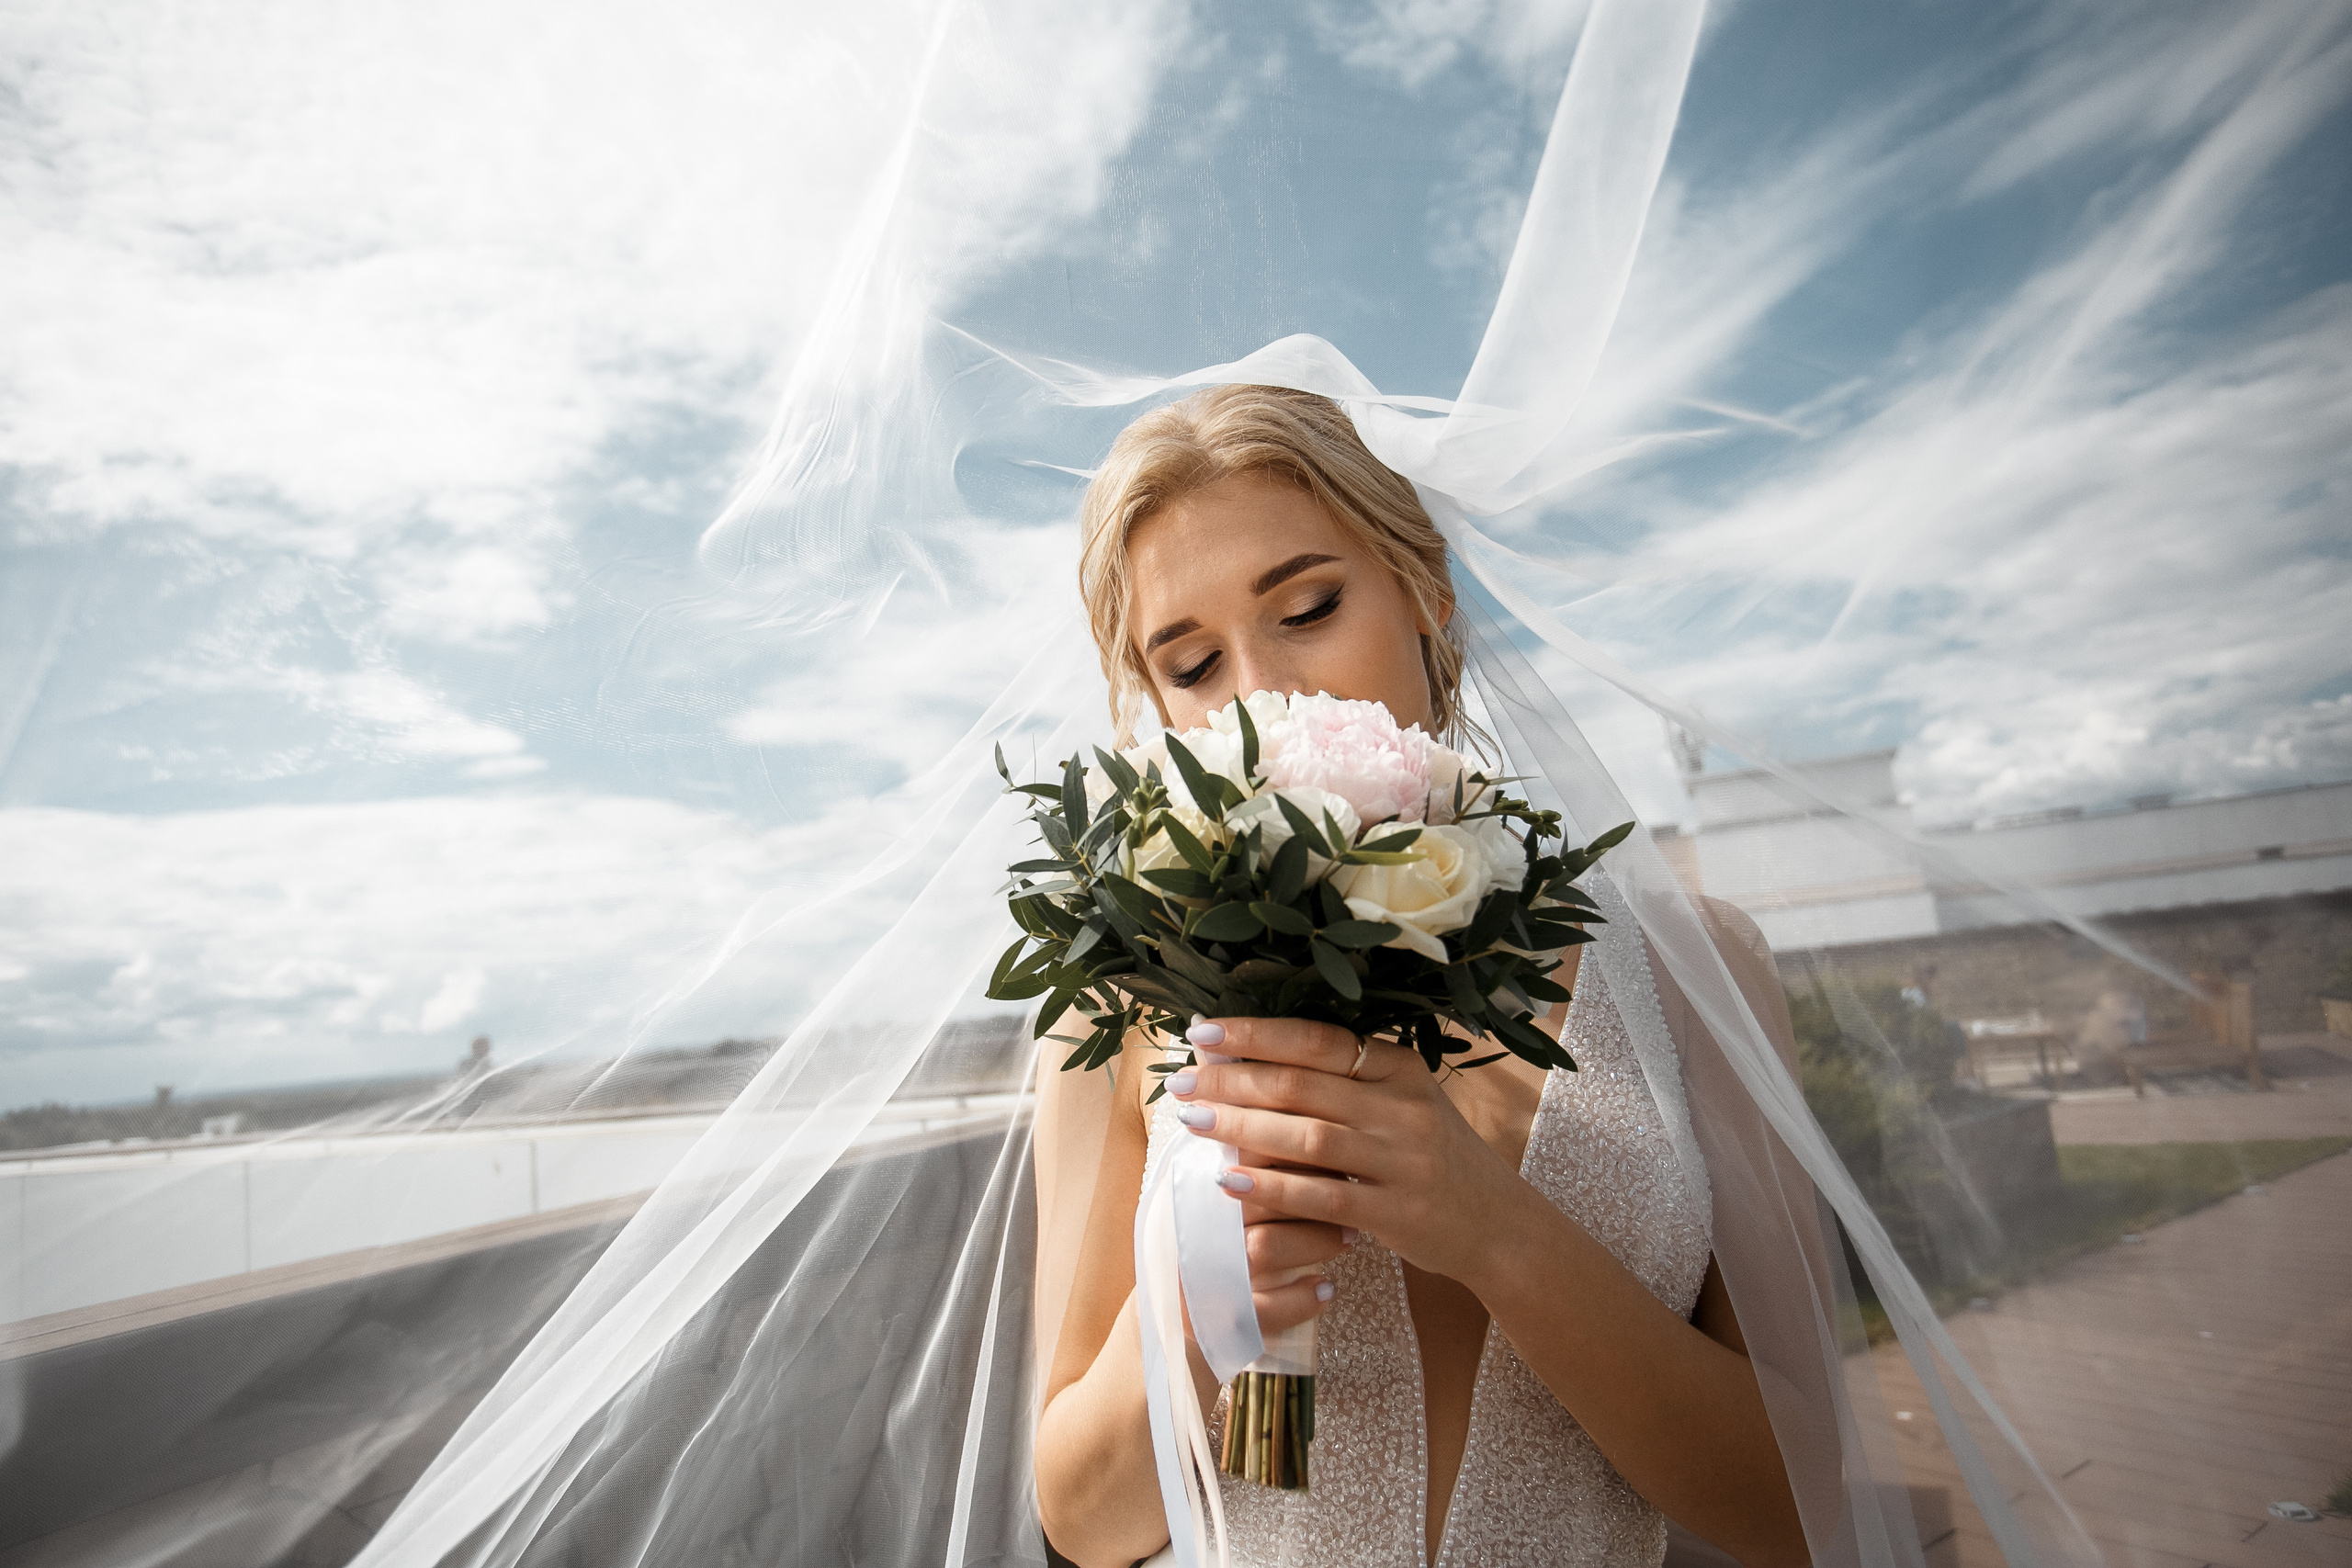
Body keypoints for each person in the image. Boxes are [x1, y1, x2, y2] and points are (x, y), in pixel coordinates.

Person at [1033, 386, 1806, 1568]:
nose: (1257, 699)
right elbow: (1083, 1526)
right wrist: (1194, 1314)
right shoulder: (1125, 1003)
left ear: (1427, 591)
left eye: (1308, 607)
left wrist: (1492, 1230)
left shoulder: (1699, 971)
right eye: (1189, 665)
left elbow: (1795, 1510)